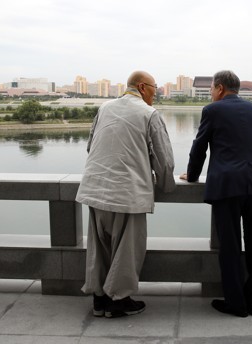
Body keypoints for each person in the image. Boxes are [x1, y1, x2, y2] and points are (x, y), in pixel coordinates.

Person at [76, 70, 175, 318]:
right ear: (142, 87)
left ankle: (99, 301)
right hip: (128, 192)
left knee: (98, 248)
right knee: (127, 251)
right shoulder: (149, 113)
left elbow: (90, 146)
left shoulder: (105, 108)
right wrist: (166, 185)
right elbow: (164, 161)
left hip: (96, 188)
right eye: (155, 87)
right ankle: (118, 301)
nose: (157, 92)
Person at [180, 70, 252, 317]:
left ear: (219, 88)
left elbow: (199, 148)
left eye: (211, 88)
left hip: (227, 186)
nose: (210, 92)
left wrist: (193, 175)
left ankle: (235, 304)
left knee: (230, 247)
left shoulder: (212, 110)